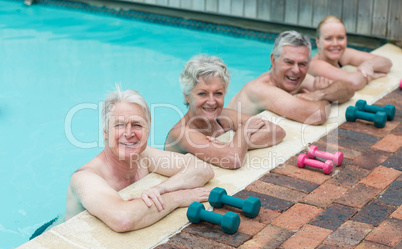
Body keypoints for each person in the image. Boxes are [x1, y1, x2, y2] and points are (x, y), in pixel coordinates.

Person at [66, 87, 214, 232]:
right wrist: (178, 197)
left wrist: (160, 189)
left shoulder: (144, 156)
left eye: (137, 125)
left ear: (147, 132)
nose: (129, 133)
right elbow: (123, 219)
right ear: (105, 132)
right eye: (119, 125)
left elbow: (202, 169)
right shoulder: (84, 177)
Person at [165, 55, 286, 170]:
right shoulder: (182, 133)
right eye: (202, 94)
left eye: (218, 93)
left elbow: (277, 131)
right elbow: (233, 159)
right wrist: (243, 132)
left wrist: (235, 145)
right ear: (187, 96)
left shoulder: (223, 116)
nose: (212, 102)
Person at [227, 31, 355, 125]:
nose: (296, 70)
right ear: (273, 60)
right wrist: (327, 98)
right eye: (289, 62)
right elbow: (317, 115)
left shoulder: (297, 79)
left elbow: (348, 88)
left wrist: (319, 94)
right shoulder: (260, 89)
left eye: (302, 64)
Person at [309, 16, 392, 91]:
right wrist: (369, 75)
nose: (335, 44)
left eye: (340, 38)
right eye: (328, 39)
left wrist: (368, 65)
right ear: (318, 43)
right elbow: (355, 82)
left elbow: (387, 63)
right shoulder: (314, 64)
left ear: (346, 39)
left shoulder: (343, 54)